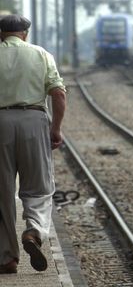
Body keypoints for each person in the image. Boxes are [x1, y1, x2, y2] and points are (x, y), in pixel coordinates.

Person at [0, 14, 66, 274]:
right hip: (34, 120)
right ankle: (34, 231)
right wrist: (56, 128)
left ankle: (6, 258)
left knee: (2, 190)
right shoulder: (41, 54)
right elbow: (59, 94)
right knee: (38, 185)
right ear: (25, 33)